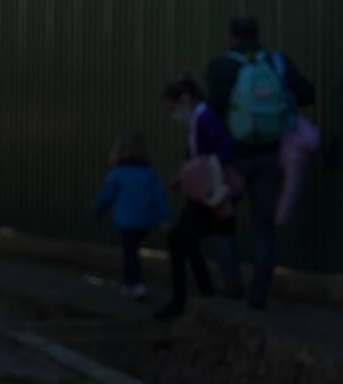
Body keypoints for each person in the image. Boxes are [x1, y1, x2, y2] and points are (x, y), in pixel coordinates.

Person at [205, 15, 315, 308]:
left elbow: (212, 112)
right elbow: (307, 93)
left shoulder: (221, 67)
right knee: (263, 226)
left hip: (231, 158)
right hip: (271, 155)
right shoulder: (277, 63)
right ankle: (259, 291)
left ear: (231, 37)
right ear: (257, 35)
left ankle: (232, 282)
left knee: (223, 218)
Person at [156, 72, 236, 320]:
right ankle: (203, 292)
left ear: (184, 99)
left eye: (172, 109)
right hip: (205, 193)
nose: (173, 116)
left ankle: (182, 300)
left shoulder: (204, 119)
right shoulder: (199, 120)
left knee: (178, 239)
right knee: (186, 241)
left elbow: (222, 151)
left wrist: (203, 174)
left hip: (208, 193)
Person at [93, 131, 170, 300]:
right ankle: (129, 283)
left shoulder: (117, 174)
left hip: (126, 221)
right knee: (130, 250)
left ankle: (137, 284)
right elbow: (159, 197)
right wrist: (165, 218)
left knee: (130, 252)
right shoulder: (148, 173)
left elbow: (106, 196)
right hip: (145, 221)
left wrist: (98, 211)